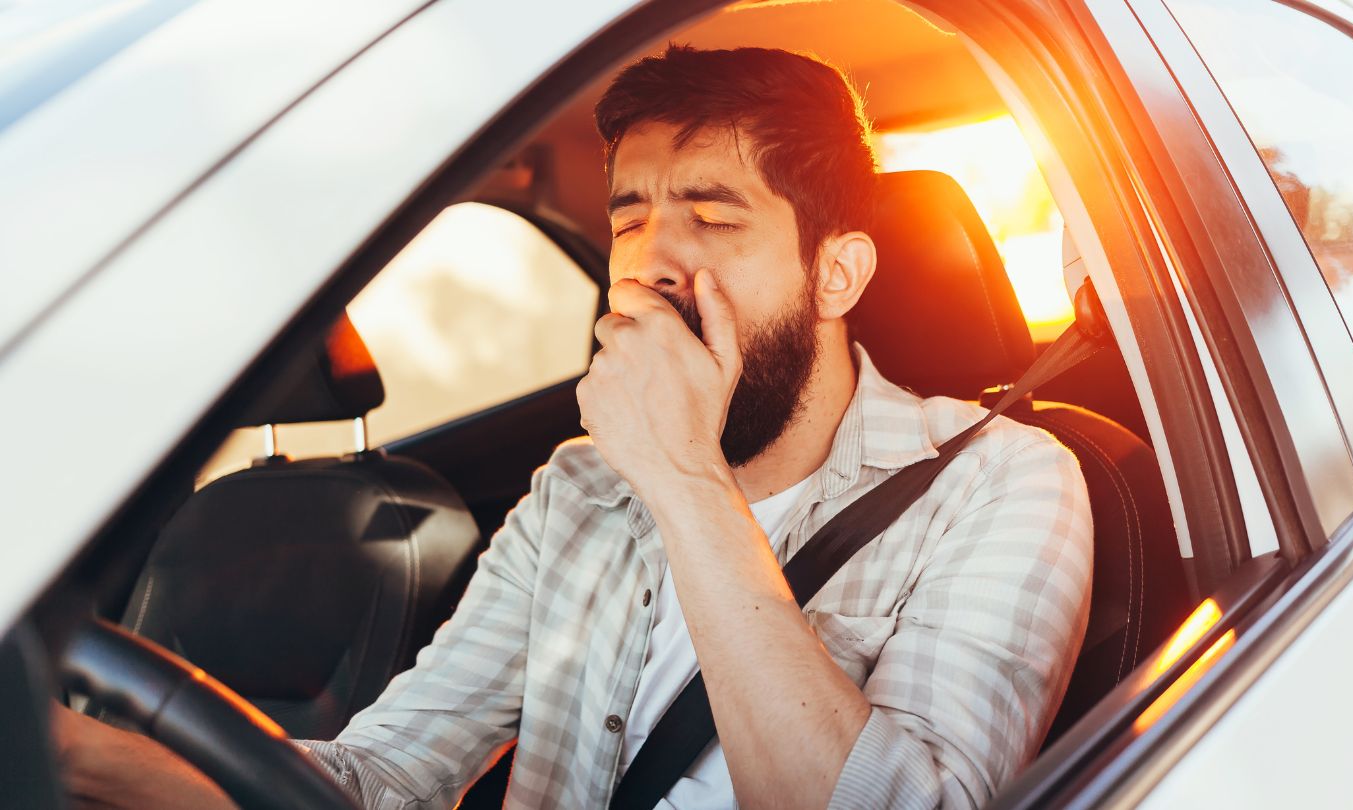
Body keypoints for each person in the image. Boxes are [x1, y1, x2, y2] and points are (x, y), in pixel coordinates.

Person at [52, 45, 1093, 810]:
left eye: (714, 216)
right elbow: (377, 779)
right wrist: (55, 751)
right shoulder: (580, 489)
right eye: (631, 216)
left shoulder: (1001, 483)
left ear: (836, 272)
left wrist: (687, 481)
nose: (650, 259)